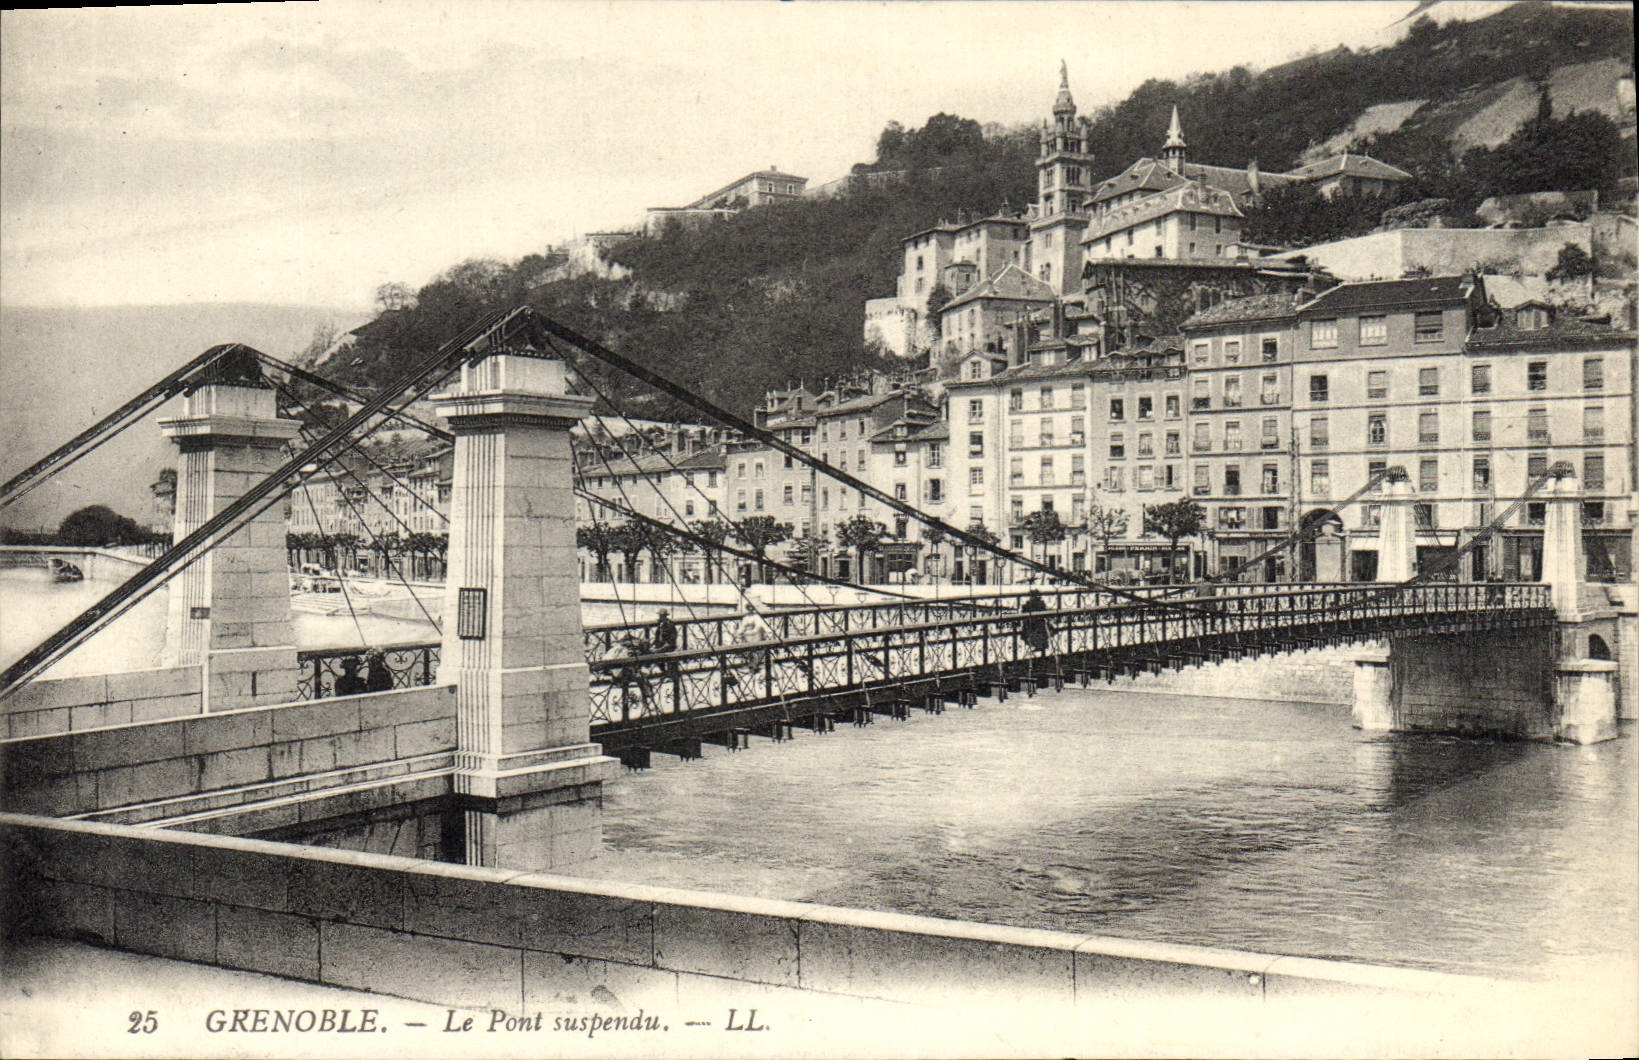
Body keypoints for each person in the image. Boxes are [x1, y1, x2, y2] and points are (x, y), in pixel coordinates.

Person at [1020, 587, 1051, 655]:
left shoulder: (1029, 605)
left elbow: (1024, 611)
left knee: (1030, 630)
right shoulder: (1041, 604)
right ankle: (1041, 645)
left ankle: (1037, 645)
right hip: (1039, 625)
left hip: (1033, 625)